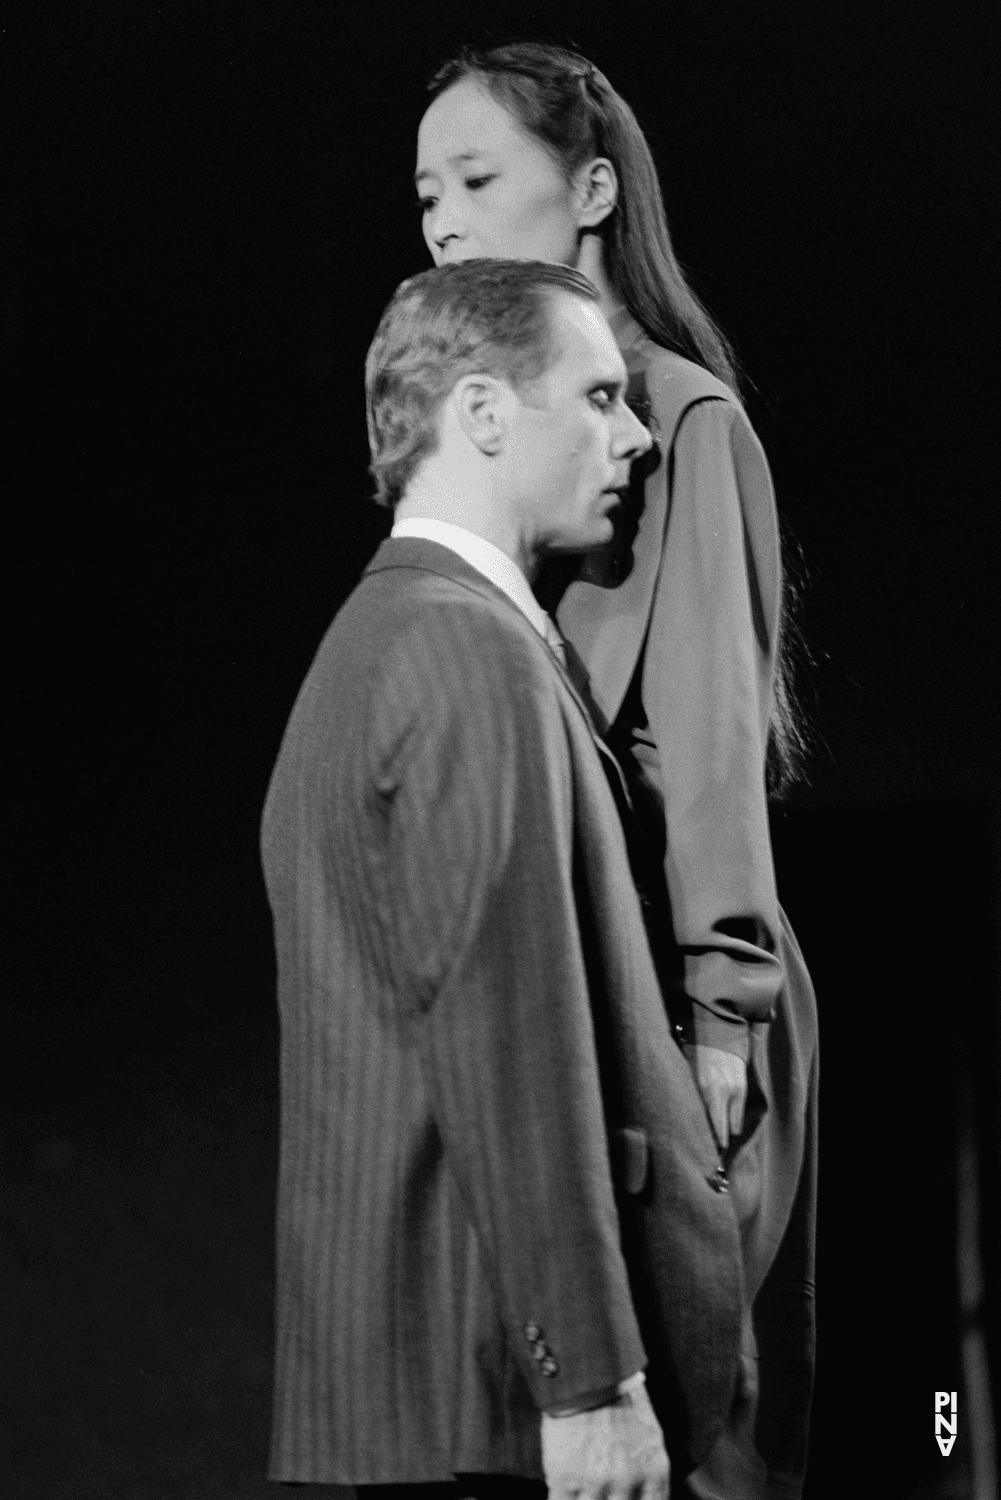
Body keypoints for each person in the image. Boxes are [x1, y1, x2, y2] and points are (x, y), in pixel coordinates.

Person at [261, 258, 752, 1499]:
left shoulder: (382, 640)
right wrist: (588, 1383)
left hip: (443, 1401)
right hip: (496, 1411)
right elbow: (509, 1043)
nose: (637, 438)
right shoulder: (461, 654)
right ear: (481, 413)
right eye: (596, 399)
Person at [415, 44, 819, 1500]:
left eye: (475, 181)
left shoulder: (673, 420)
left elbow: (708, 744)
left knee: (701, 1439)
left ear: (589, 190)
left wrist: (720, 1019)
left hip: (681, 1000)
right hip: (584, 985)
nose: (443, 223)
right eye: (424, 195)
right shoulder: (506, 430)